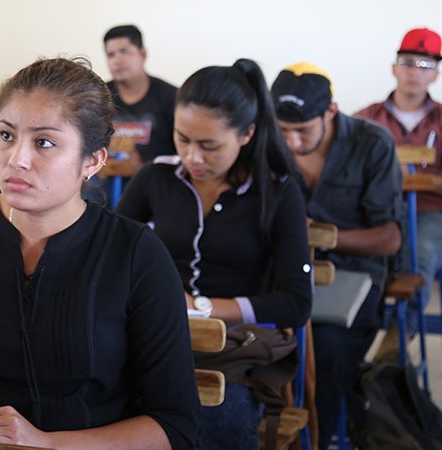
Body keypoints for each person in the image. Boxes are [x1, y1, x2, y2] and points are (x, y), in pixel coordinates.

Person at [0, 57, 199, 450]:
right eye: (6, 135)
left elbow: (175, 425)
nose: (17, 159)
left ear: (93, 160)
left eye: (44, 142)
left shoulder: (136, 254)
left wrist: (45, 443)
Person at [116, 59, 312, 450]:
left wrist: (199, 307)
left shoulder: (277, 191)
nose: (193, 157)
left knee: (217, 407)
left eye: (209, 146)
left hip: (233, 348)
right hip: (158, 334)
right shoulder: (155, 178)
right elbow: (111, 255)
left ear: (247, 134)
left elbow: (295, 304)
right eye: (182, 138)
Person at [271, 62, 402, 448]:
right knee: (249, 342)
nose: (292, 143)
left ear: (330, 111)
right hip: (285, 273)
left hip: (354, 277)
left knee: (325, 351)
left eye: (303, 130)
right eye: (283, 131)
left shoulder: (372, 143)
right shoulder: (268, 144)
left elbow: (391, 238)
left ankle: (317, 438)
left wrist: (319, 237)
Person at [355, 27, 442, 344]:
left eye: (425, 65)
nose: (414, 73)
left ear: (435, 74)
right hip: (376, 213)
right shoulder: (365, 120)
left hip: (430, 212)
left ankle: (390, 359)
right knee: (359, 265)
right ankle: (350, 356)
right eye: (408, 62)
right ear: (394, 67)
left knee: (416, 266)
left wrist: (417, 181)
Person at [104, 24, 177, 168]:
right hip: (106, 178)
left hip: (156, 179)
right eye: (111, 55)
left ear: (142, 54)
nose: (117, 60)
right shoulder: (98, 96)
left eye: (124, 51)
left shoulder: (171, 97)